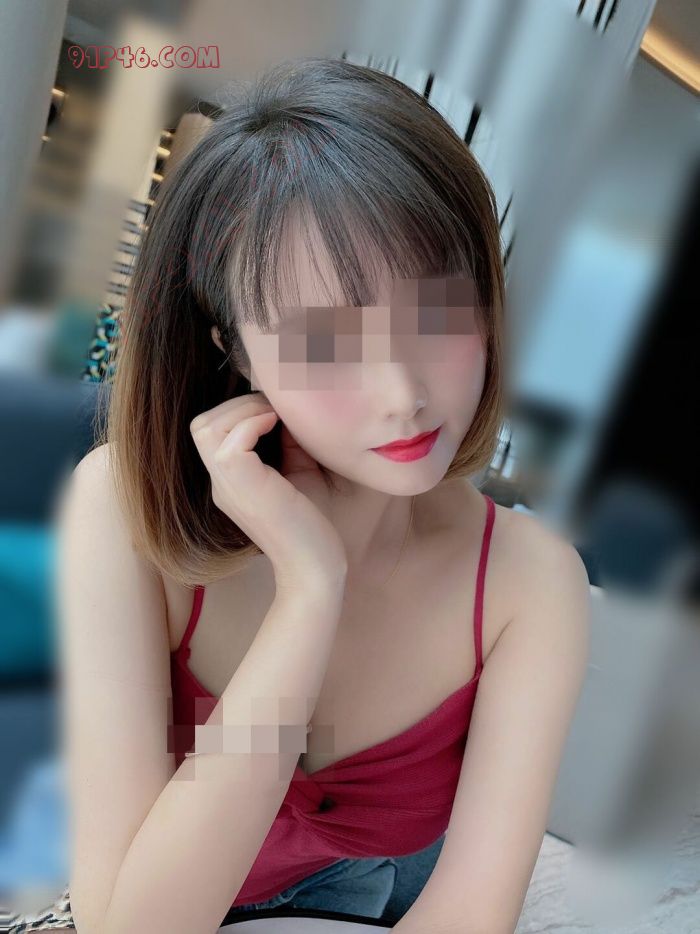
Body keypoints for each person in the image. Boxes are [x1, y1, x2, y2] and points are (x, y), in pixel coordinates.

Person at [9, 56, 590, 934]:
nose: (402, 393)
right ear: (234, 351)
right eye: (325, 343)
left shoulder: (531, 581)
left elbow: (472, 911)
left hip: (357, 897)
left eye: (439, 311)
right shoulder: (123, 507)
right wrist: (309, 591)